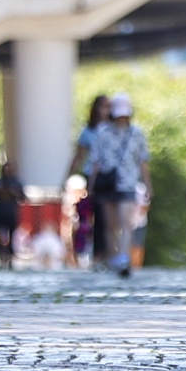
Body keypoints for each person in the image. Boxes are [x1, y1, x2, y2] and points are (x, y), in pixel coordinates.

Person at [91, 94, 152, 278]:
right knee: (110, 225)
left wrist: (148, 185)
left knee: (126, 222)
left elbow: (143, 161)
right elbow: (95, 161)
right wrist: (92, 184)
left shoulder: (137, 133)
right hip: (107, 183)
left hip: (127, 182)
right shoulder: (102, 132)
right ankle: (113, 257)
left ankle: (124, 258)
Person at [69, 94, 113, 265]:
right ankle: (98, 255)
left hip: (113, 176)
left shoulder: (114, 129)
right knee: (96, 216)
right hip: (94, 177)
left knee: (112, 217)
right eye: (102, 106)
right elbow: (79, 156)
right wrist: (69, 175)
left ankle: (112, 253)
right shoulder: (88, 131)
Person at [0, 163, 26, 269]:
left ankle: (11, 257)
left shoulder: (16, 183)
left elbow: (23, 198)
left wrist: (14, 194)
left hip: (11, 212)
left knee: (12, 236)